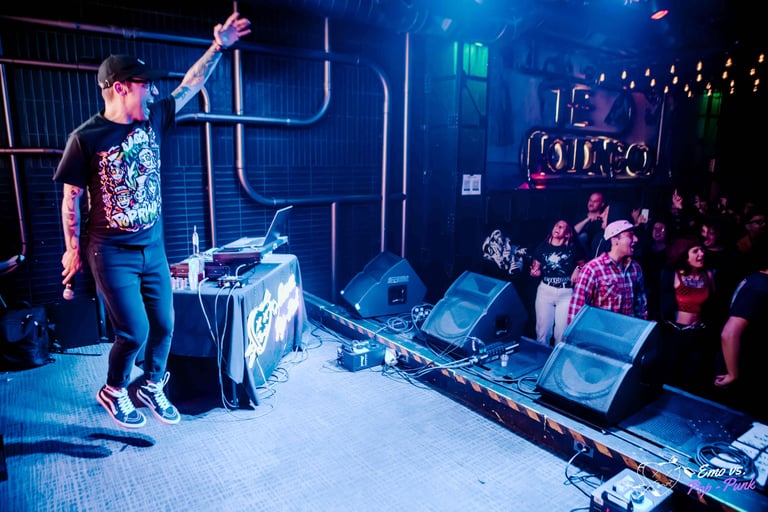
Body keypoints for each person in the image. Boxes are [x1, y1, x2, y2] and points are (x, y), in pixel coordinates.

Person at [53, 12, 252, 428]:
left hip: (152, 247)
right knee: (135, 331)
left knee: (165, 324)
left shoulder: (155, 117)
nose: (154, 92)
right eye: (146, 86)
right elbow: (71, 199)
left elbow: (191, 85)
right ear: (121, 88)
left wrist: (218, 46)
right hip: (111, 252)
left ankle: (151, 384)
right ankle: (113, 390)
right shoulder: (85, 139)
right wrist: (72, 250)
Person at [714, 241, 768, 422]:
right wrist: (733, 373)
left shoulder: (756, 278)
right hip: (741, 366)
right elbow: (729, 332)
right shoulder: (761, 288)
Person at [658, 236, 717, 397]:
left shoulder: (708, 275)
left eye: (702, 250)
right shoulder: (673, 275)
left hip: (698, 334)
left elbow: (713, 304)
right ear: (684, 255)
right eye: (695, 251)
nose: (701, 254)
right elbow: (662, 303)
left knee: (692, 379)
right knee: (672, 377)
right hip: (676, 334)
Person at [567, 219, 648, 323]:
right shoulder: (592, 269)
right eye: (630, 235)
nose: (636, 239)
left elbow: (641, 306)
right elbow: (577, 310)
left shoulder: (635, 268)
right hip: (602, 331)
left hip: (628, 331)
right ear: (615, 240)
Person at [529, 219, 586, 346]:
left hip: (566, 293)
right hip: (546, 291)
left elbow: (584, 265)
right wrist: (535, 272)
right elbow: (536, 267)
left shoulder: (573, 249)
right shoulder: (542, 247)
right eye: (556, 225)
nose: (557, 228)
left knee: (561, 334)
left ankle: (557, 357)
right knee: (543, 332)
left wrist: (577, 269)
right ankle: (541, 358)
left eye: (561, 227)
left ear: (567, 233)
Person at [573, 191, 608, 258]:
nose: (591, 203)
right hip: (577, 254)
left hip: (594, 254)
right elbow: (573, 232)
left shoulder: (603, 220)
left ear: (602, 204)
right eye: (590, 200)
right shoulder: (580, 217)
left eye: (595, 201)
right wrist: (587, 219)